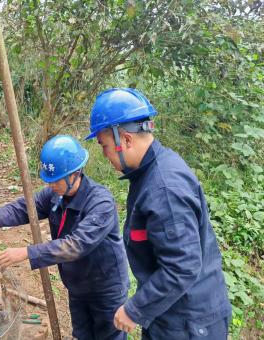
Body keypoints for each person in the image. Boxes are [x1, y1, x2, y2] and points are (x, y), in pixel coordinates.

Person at [86, 88, 232, 339]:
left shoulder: (164, 189)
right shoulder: (150, 171)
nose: (105, 155)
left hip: (189, 324)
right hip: (171, 313)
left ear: (126, 140)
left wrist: (134, 309)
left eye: (105, 146)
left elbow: (182, 267)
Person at [0, 135, 129, 340]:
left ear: (75, 174)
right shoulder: (56, 193)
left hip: (105, 288)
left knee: (108, 336)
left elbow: (75, 245)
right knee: (82, 334)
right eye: (48, 180)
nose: (50, 185)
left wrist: (26, 252)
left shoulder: (100, 203)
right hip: (77, 284)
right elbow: (25, 207)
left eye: (56, 180)